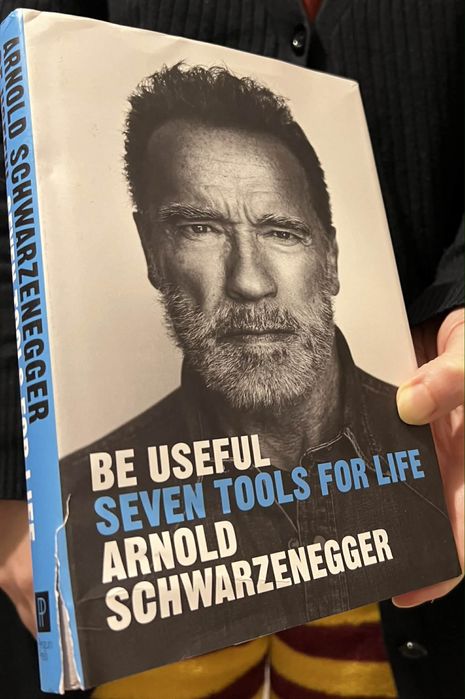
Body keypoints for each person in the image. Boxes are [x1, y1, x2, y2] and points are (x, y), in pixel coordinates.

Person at [0, 1, 463, 698]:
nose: (249, 281)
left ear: (330, 256)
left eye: (282, 231)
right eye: (199, 229)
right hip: (125, 589)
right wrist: (16, 482)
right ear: (150, 250)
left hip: (438, 457)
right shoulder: (76, 502)